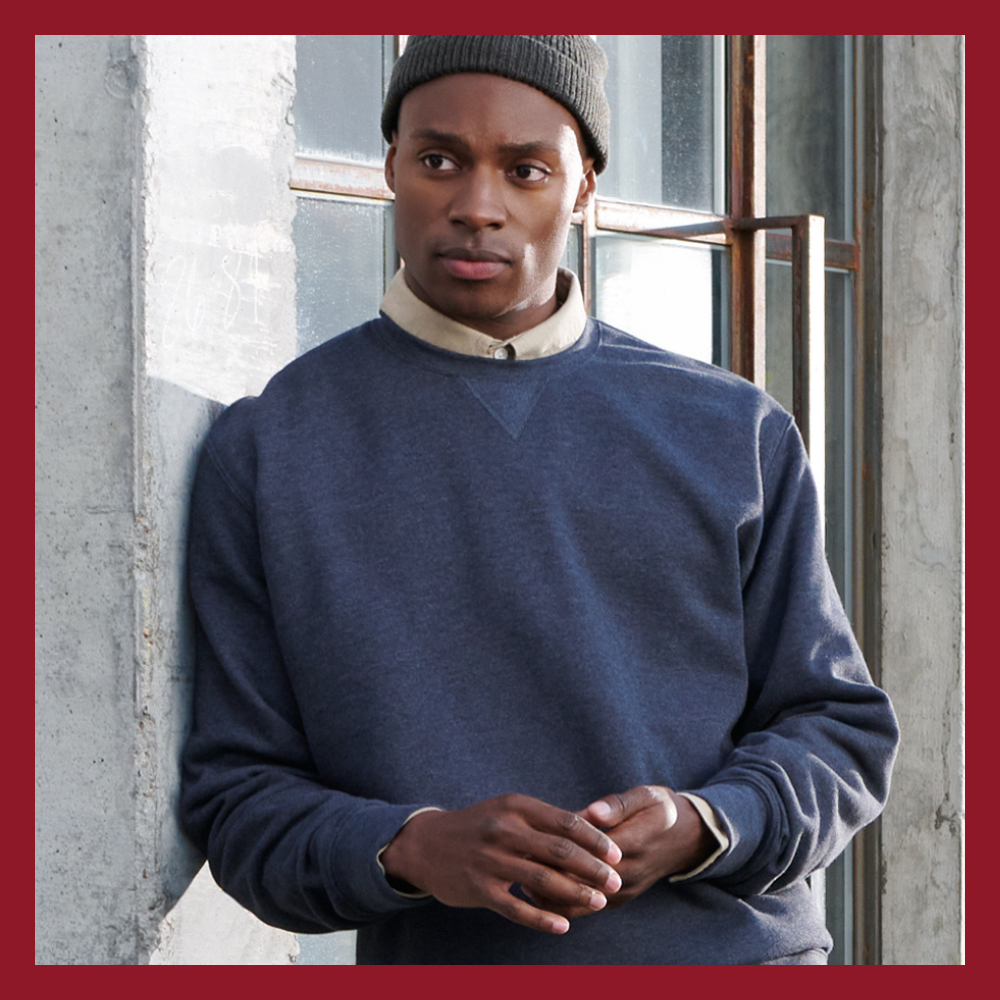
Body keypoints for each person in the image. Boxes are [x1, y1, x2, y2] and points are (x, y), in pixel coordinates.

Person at [180, 35, 899, 965]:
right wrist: (410, 848)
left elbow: (838, 729)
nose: (478, 208)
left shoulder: (732, 430)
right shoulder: (270, 449)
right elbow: (237, 797)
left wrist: (708, 822)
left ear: (584, 185)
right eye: (440, 160)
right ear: (392, 160)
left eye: (525, 170)